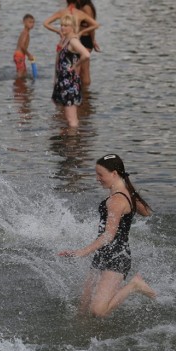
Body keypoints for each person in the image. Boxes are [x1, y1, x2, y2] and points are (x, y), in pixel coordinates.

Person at [58, 154, 156, 318]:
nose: (97, 179)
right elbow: (146, 212)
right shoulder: (127, 194)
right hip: (103, 253)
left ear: (114, 174)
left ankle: (134, 285)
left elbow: (108, 236)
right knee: (83, 310)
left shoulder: (116, 200)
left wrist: (81, 252)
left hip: (117, 257)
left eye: (100, 174)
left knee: (98, 311)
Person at [51, 14, 91, 128]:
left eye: (66, 25)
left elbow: (86, 54)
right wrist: (55, 79)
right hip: (63, 81)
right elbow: (59, 60)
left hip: (70, 82)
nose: (62, 27)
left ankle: (73, 142)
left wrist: (75, 66)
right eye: (62, 25)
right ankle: (70, 141)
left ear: (72, 27)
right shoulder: (65, 39)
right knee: (67, 117)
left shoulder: (73, 41)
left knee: (71, 119)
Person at [77, 0, 100, 86]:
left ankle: (86, 95)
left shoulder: (86, 7)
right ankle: (82, 95)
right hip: (80, 39)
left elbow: (92, 26)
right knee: (79, 71)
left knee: (84, 71)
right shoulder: (80, 6)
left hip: (85, 39)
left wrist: (93, 40)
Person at [14, 14, 36, 79]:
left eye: (33, 22)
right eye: (30, 22)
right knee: (20, 74)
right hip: (19, 55)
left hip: (19, 55)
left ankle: (20, 85)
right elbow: (22, 45)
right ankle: (19, 86)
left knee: (23, 72)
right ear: (24, 22)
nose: (32, 24)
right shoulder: (25, 33)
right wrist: (29, 55)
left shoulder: (24, 32)